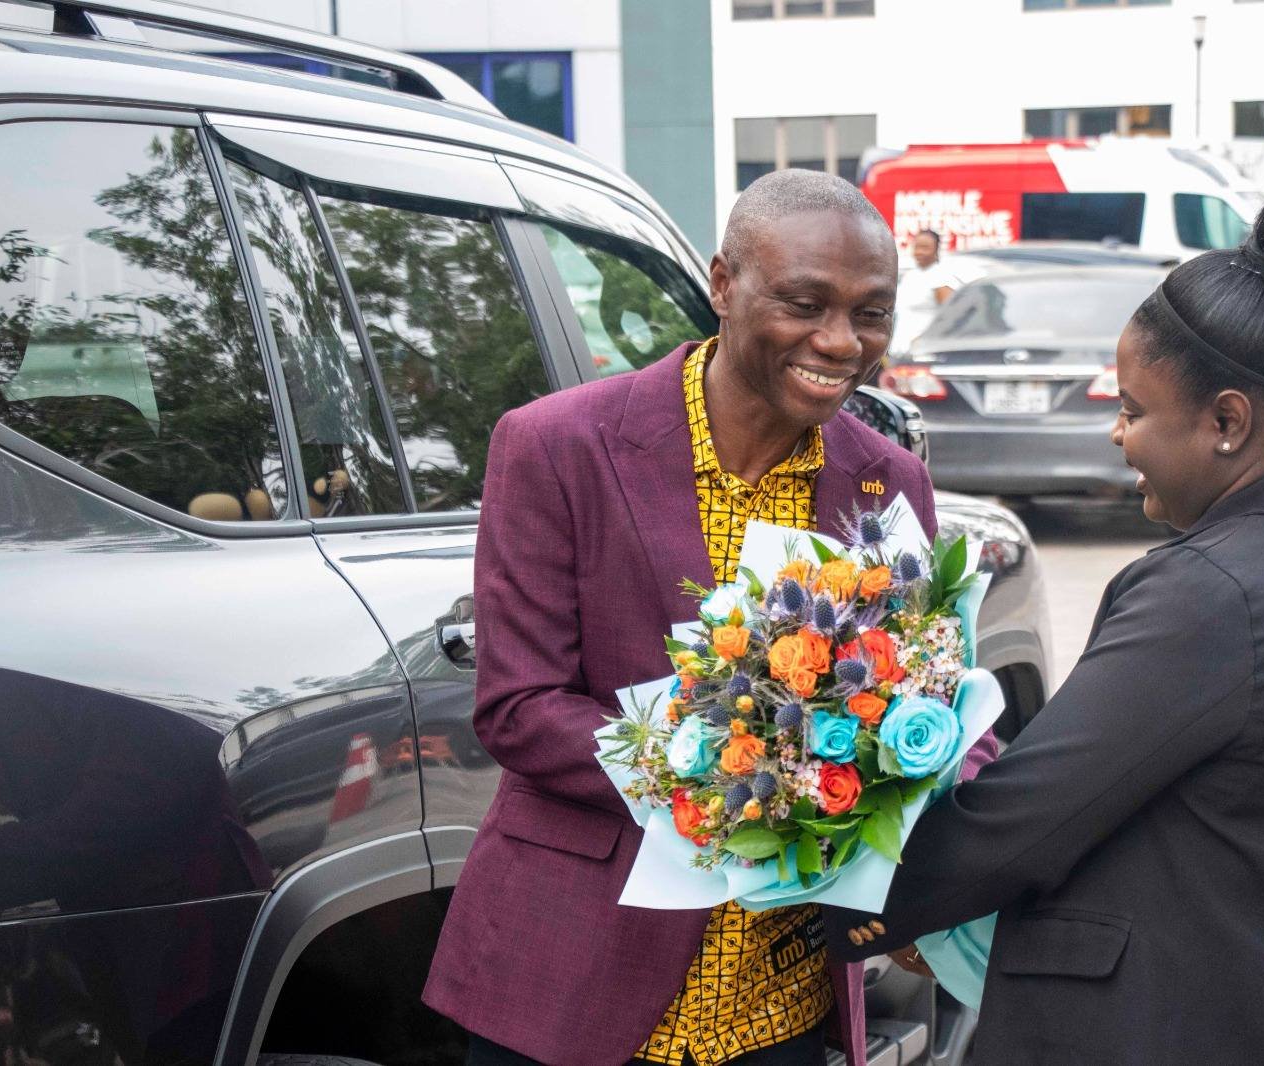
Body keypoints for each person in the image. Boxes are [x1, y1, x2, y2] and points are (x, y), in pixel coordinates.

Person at [826, 194, 1264, 1065]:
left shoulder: (1209, 596)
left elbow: (1030, 820)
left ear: (1226, 423)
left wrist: (827, 905)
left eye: (1133, 409)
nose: (1117, 435)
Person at [423, 169, 991, 1066]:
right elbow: (520, 708)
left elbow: (931, 688)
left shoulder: (887, 480)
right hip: (576, 985)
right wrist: (735, 773)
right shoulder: (557, 445)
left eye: (871, 314)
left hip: (778, 1004)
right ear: (724, 284)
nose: (841, 342)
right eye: (804, 304)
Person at [890, 229, 958, 355]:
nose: (919, 252)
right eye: (916, 247)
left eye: (925, 247)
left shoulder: (941, 277)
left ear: (936, 250)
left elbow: (950, 317)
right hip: (900, 352)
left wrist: (924, 339)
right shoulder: (910, 276)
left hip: (924, 352)